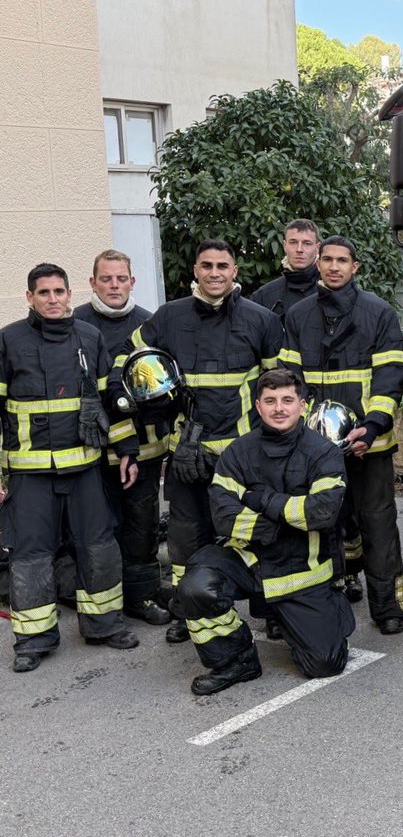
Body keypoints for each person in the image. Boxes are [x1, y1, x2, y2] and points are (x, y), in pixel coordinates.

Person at [110, 239, 283, 644]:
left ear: (235, 271)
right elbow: (126, 358)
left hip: (244, 455)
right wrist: (134, 398)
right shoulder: (169, 317)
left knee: (254, 532)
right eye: (207, 265)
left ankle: (271, 609)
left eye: (222, 266)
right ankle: (187, 612)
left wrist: (274, 443)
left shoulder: (260, 319)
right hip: (187, 452)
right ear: (195, 270)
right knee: (186, 538)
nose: (214, 273)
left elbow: (280, 385)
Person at [177, 368, 354, 695]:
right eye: (270, 401)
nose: (279, 408)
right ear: (258, 406)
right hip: (250, 558)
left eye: (287, 400)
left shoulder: (323, 452)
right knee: (197, 586)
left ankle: (315, 613)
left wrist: (261, 500)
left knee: (325, 663)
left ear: (302, 405)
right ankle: (236, 660)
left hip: (301, 570)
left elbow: (322, 512)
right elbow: (223, 515)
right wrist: (278, 524)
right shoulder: (237, 452)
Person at [1, 263, 139, 672]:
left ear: (69, 294)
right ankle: (33, 640)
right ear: (30, 297)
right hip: (30, 474)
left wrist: (126, 449)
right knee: (31, 556)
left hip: (84, 469)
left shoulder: (89, 337)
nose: (52, 299)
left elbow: (112, 399)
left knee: (98, 547)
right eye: (43, 292)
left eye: (59, 291)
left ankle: (105, 625)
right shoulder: (9, 341)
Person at [280, 236, 403, 634]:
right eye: (328, 259)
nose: (334, 267)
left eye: (342, 260)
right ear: (318, 264)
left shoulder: (378, 312)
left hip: (369, 444)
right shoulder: (299, 315)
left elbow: (390, 376)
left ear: (356, 267)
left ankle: (388, 606)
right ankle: (335, 590)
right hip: (315, 446)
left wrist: (373, 426)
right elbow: (290, 379)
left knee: (377, 522)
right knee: (327, 521)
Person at [74, 249, 171, 625]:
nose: (114, 285)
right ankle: (105, 600)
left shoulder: (149, 324)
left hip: (144, 448)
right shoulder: (76, 325)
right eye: (106, 279)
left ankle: (142, 594)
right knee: (101, 529)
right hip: (94, 450)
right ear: (93, 282)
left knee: (141, 525)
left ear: (132, 282)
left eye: (121, 279)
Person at [249, 219, 321, 318]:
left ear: (317, 248)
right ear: (284, 246)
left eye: (307, 243)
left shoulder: (333, 291)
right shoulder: (263, 296)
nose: (299, 249)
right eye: (293, 242)